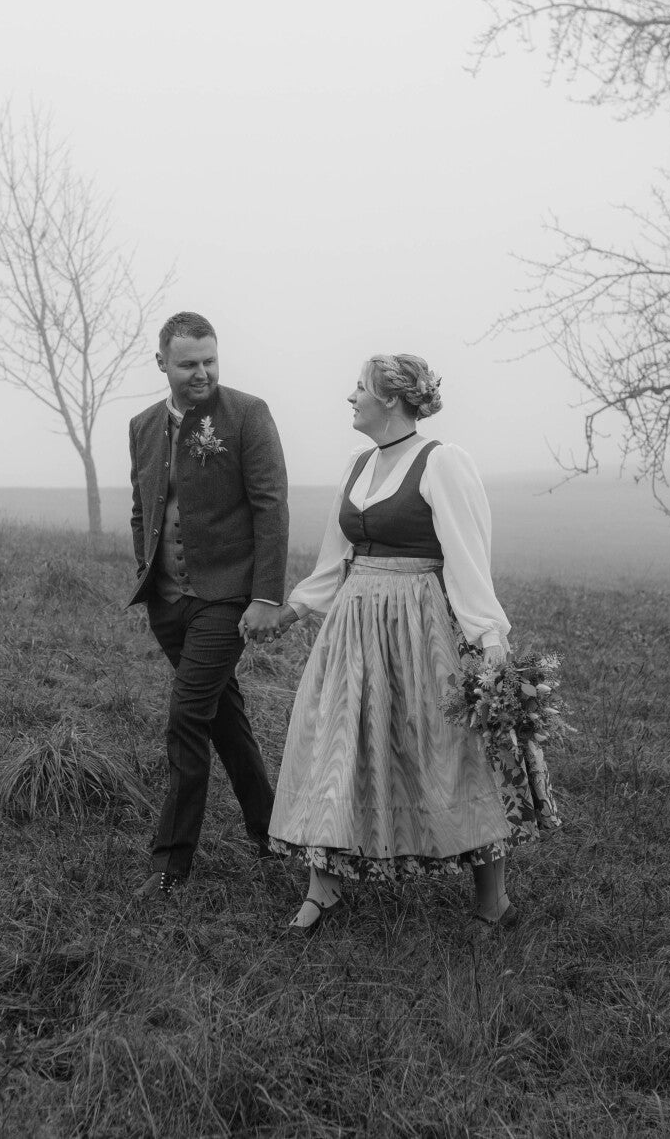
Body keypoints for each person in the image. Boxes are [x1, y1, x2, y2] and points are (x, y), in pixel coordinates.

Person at [265, 353, 523, 932]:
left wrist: (489, 638)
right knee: (337, 738)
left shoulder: (442, 462)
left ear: (390, 399)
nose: (350, 397)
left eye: (359, 388)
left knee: (446, 749)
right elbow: (335, 558)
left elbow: (467, 557)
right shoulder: (357, 465)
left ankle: (493, 901)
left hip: (420, 624)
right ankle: (323, 889)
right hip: (354, 624)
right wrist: (294, 610)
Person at [128, 311, 290, 901]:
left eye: (210, 361)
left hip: (227, 597)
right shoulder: (142, 425)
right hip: (167, 601)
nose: (202, 373)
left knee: (187, 718)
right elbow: (143, 506)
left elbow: (271, 505)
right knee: (222, 715)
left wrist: (266, 596)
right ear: (162, 363)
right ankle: (271, 832)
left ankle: (171, 863)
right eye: (188, 364)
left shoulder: (247, 414)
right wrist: (147, 570)